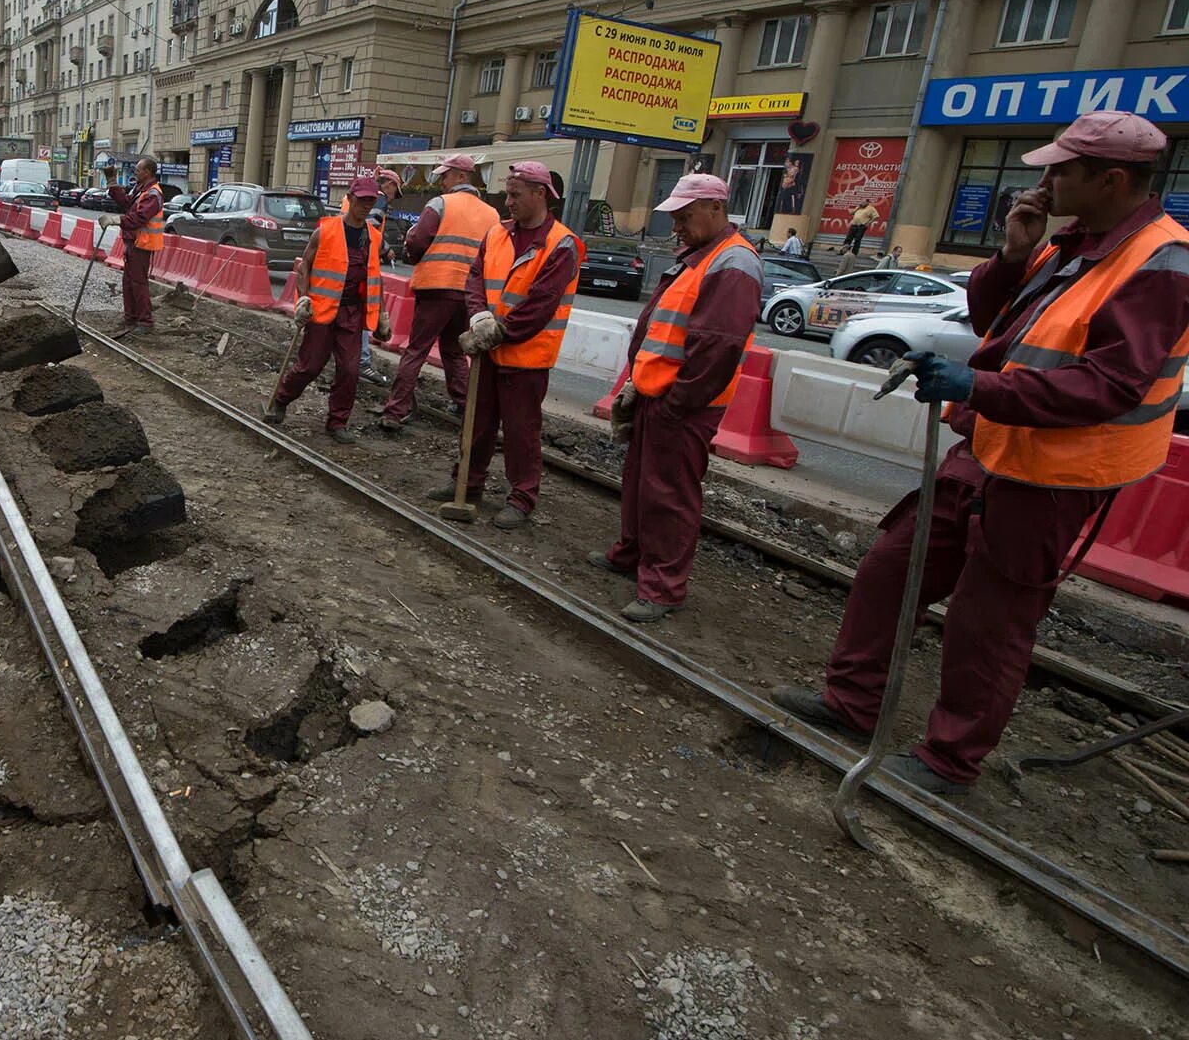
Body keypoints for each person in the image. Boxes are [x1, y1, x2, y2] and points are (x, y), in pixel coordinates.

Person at [773, 111, 1189, 794]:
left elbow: (1111, 384)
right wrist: (1014, 256)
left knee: (988, 622)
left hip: (1055, 472)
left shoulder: (1160, 261)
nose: (1047, 180)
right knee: (890, 570)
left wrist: (978, 386)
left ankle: (948, 760)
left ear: (1113, 179)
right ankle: (853, 702)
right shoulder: (1071, 244)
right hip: (992, 445)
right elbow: (995, 321)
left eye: (1062, 169)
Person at [592, 174, 762, 622]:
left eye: (685, 217)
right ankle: (633, 555)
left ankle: (664, 588)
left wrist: (677, 402)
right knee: (642, 484)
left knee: (668, 494)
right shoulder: (699, 257)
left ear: (714, 208)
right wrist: (640, 383)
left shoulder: (732, 264)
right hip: (660, 395)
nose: (677, 227)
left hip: (684, 404)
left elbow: (718, 347)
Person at [425, 161, 581, 529]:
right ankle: (467, 481)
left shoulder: (561, 244)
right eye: (507, 194)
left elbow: (541, 305)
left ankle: (522, 498)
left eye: (515, 195)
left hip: (525, 357)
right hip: (488, 349)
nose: (507, 201)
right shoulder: (497, 233)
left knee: (520, 430)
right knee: (476, 421)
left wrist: (497, 332)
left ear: (540, 194)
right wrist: (478, 317)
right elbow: (476, 278)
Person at [378, 159, 502, 433]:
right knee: (454, 351)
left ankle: (395, 411)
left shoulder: (441, 204)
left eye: (445, 176)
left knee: (416, 350)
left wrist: (411, 255)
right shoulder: (492, 215)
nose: (441, 182)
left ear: (460, 176)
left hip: (436, 287)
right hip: (469, 294)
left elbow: (417, 240)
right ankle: (468, 407)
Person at [266, 176, 391, 443]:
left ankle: (337, 422)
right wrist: (303, 299)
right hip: (322, 312)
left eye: (371, 200)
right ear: (351, 198)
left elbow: (375, 277)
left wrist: (382, 313)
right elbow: (305, 266)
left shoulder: (373, 238)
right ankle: (281, 400)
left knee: (350, 370)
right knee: (309, 366)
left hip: (353, 314)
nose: (366, 206)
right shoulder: (325, 231)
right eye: (362, 200)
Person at [102, 156, 164, 339]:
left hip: (142, 244)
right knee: (129, 283)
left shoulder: (153, 194)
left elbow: (138, 218)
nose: (135, 172)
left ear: (147, 172)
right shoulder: (141, 189)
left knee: (138, 283)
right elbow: (125, 201)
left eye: (138, 170)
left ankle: (145, 321)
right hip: (134, 242)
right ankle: (131, 319)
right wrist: (112, 183)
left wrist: (115, 220)